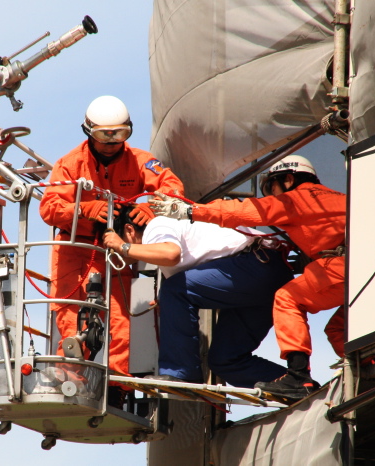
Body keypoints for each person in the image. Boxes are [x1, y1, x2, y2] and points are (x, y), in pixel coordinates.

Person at [150, 155, 346, 400]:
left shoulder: (295, 199)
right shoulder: (343, 198)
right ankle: (364, 371)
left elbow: (244, 211)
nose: (272, 196)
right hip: (370, 272)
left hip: (339, 267)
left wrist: (189, 211)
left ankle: (298, 377)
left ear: (287, 179)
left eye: (272, 188)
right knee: (338, 329)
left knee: (287, 298)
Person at [39, 96, 184, 386]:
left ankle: (116, 384)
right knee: (70, 314)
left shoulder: (140, 162)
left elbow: (173, 187)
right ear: (89, 132)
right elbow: (49, 208)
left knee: (119, 318)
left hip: (116, 250)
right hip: (75, 249)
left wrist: (151, 206)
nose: (111, 143)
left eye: (119, 134)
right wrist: (84, 209)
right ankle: (71, 377)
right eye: (104, 135)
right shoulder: (69, 165)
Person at [102, 204, 293, 388]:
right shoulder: (166, 249)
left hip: (259, 263)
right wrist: (170, 303)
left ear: (129, 230)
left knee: (173, 290)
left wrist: (123, 247)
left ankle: (180, 373)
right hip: (266, 275)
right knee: (225, 360)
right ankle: (298, 386)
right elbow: (188, 282)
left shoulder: (156, 226)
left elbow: (171, 254)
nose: (115, 253)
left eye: (113, 247)